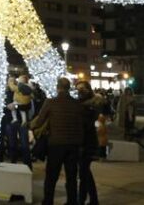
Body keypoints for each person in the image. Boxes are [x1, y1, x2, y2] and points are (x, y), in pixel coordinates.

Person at [30, 77, 84, 205]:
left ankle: (48, 201)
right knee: (71, 176)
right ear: (68, 88)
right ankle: (72, 201)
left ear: (58, 87)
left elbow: (39, 121)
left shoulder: (51, 102)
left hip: (56, 144)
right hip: (73, 145)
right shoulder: (77, 104)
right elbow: (81, 125)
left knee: (51, 176)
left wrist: (29, 125)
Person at [76, 81, 102, 205]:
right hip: (86, 141)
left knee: (83, 173)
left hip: (86, 142)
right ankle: (92, 199)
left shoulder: (88, 105)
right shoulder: (85, 104)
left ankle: (82, 200)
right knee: (85, 172)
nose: (79, 91)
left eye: (82, 89)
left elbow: (85, 124)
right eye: (78, 88)